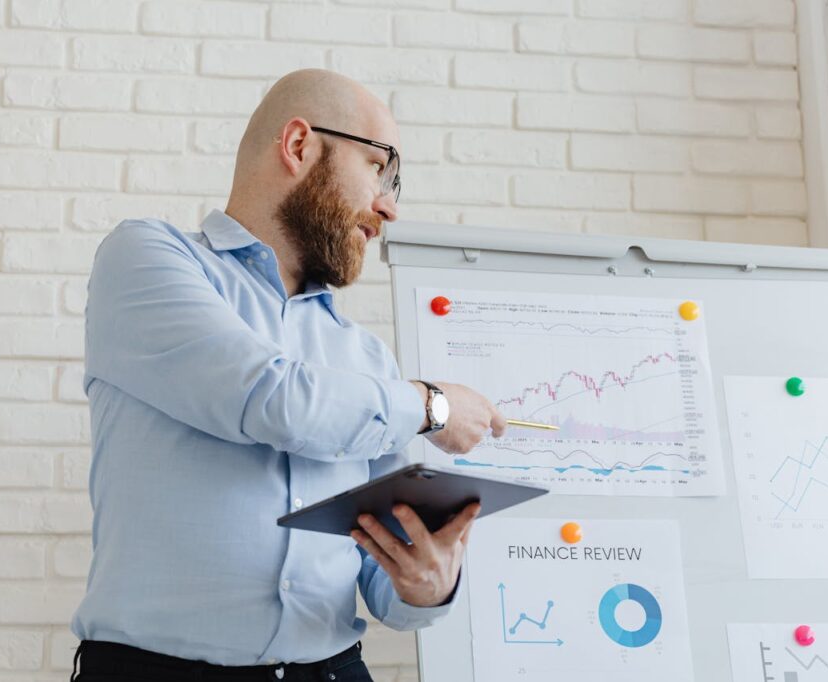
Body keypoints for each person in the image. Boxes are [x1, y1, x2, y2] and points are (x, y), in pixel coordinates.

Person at [69, 68, 507, 682]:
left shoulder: (367, 361)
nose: (390, 205)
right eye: (378, 167)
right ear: (299, 146)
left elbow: (382, 583)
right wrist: (432, 406)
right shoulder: (144, 259)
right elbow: (268, 397)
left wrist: (427, 585)